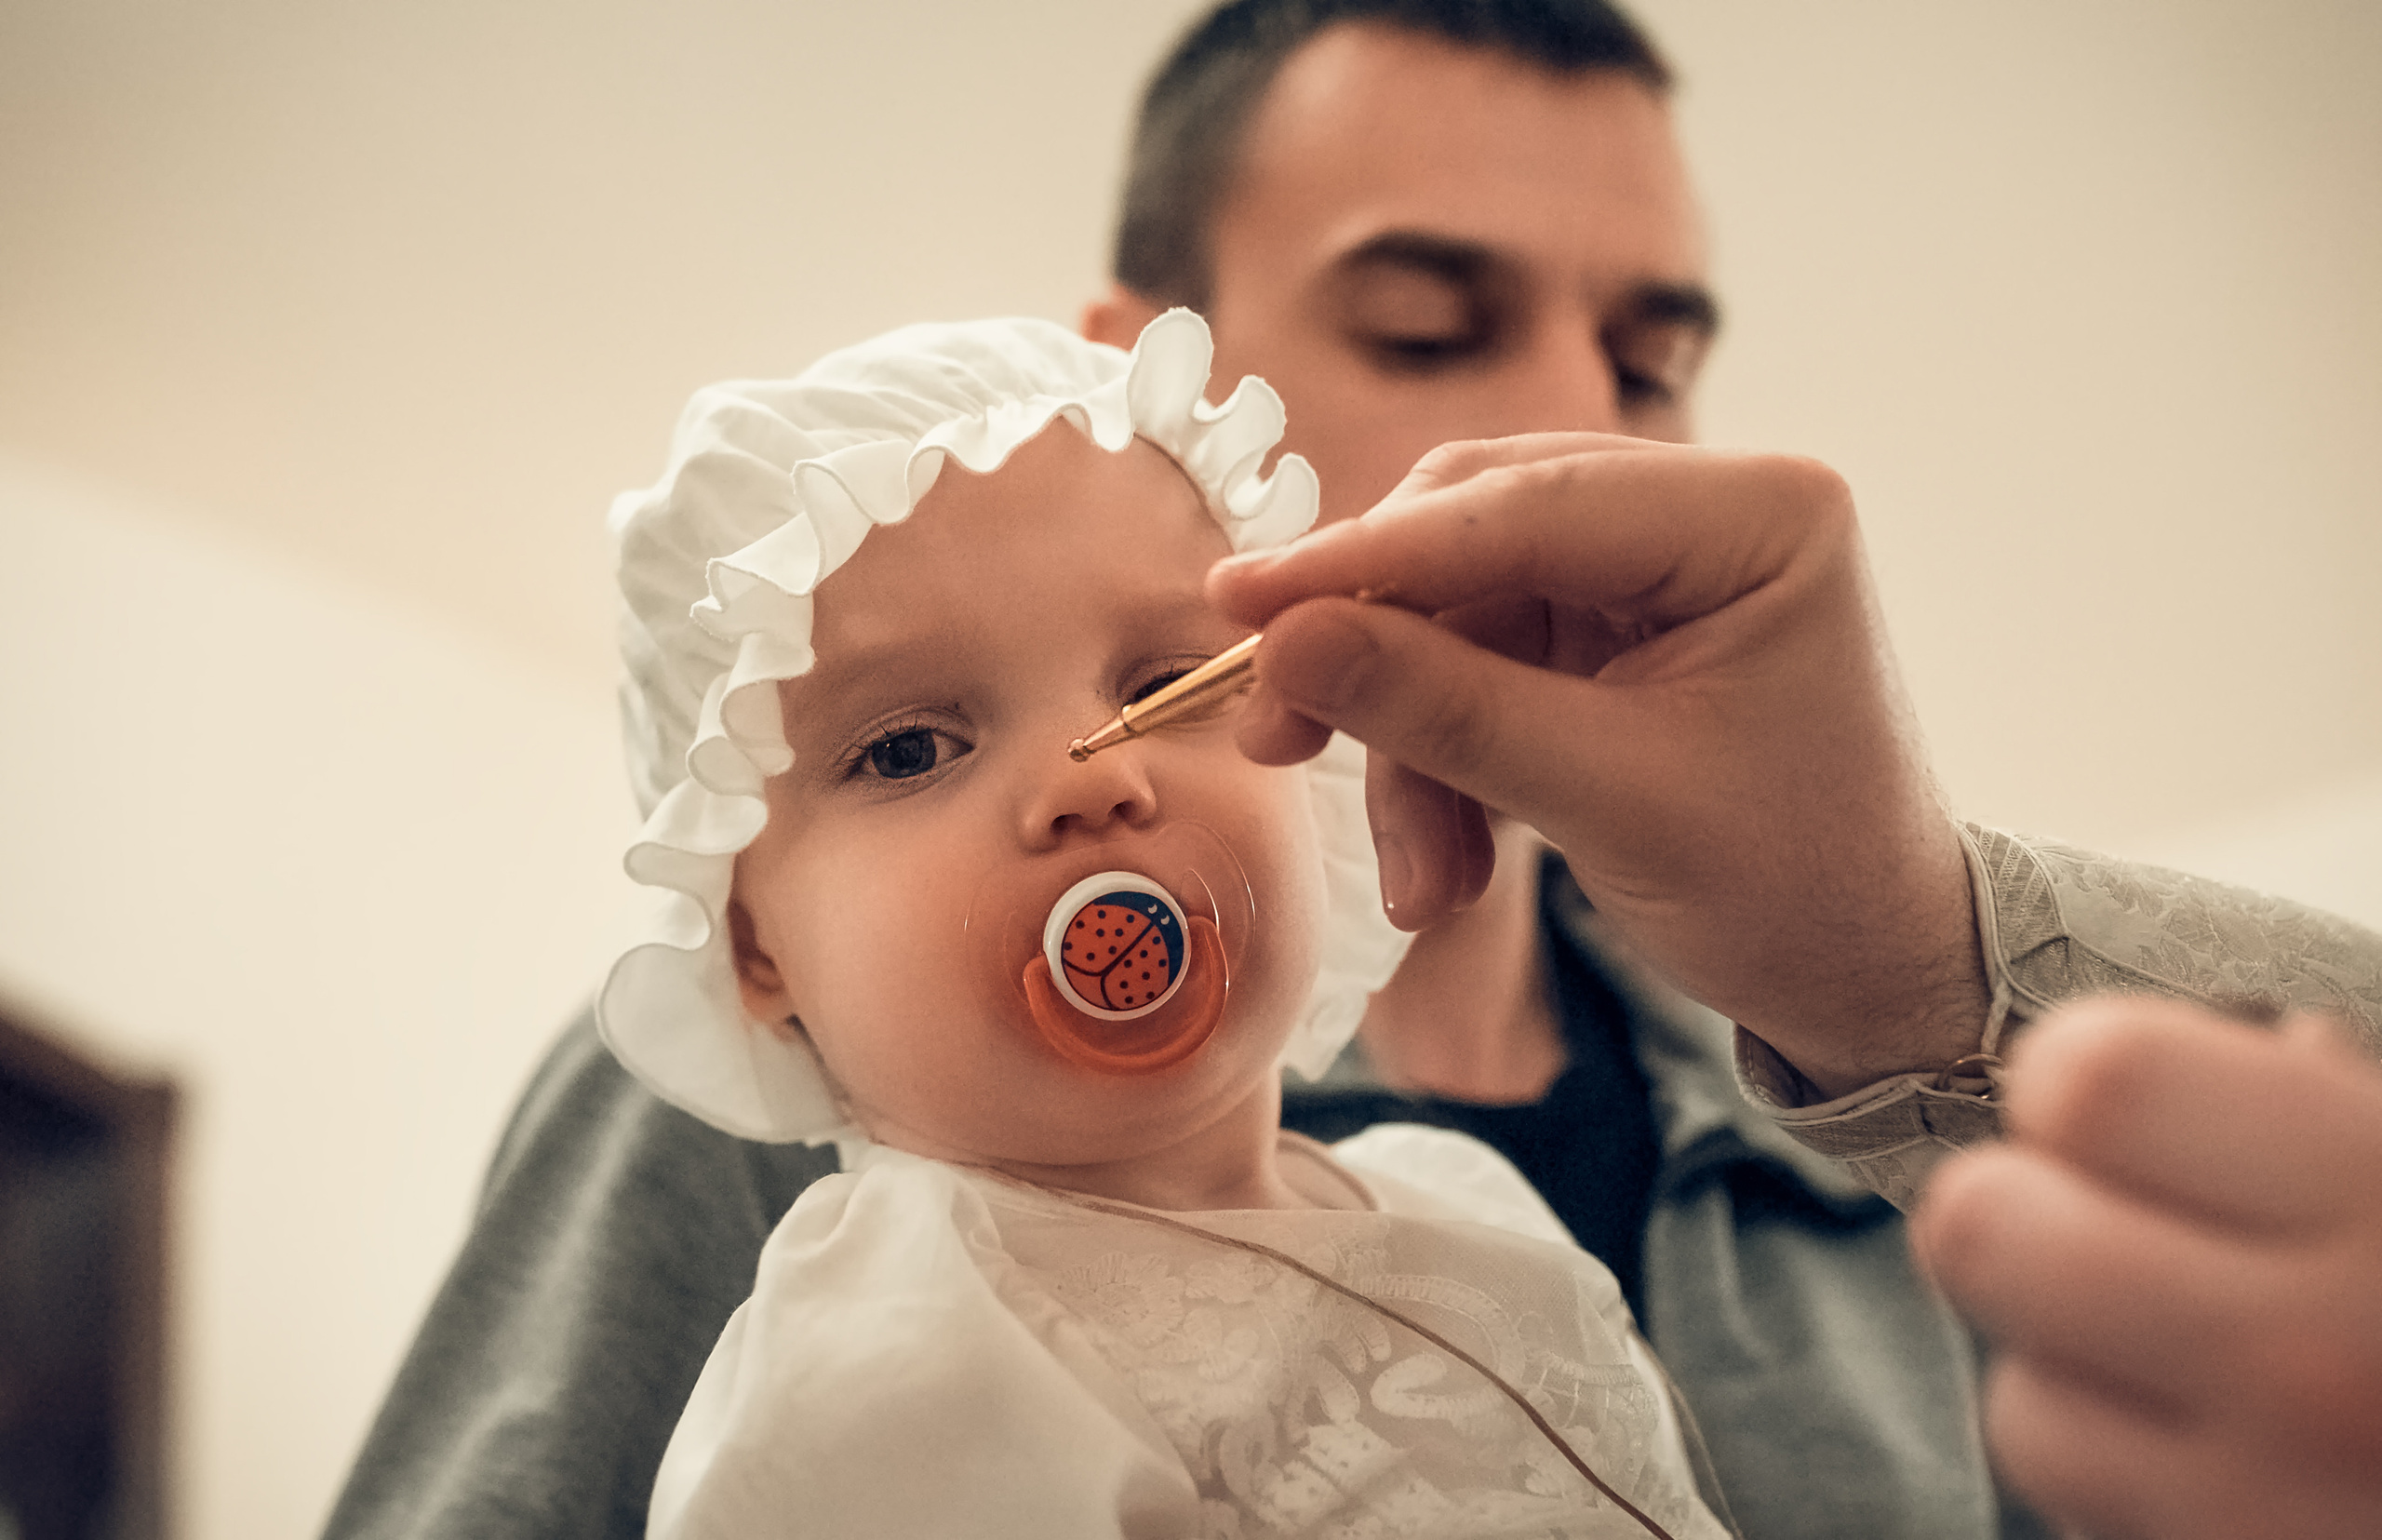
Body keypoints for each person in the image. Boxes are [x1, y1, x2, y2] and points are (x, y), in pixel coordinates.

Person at [321, 4, 2382, 1539]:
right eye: (1423, 323)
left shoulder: (1882, 1154)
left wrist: (1912, 953)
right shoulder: (772, 1126)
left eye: (1647, 360)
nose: (1593, 422)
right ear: (1144, 381)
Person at [602, 307, 1728, 1539]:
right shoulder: (889, 1370)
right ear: (756, 949)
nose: (1094, 777)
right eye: (911, 748)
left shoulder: (1459, 1199)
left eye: (1161, 687)